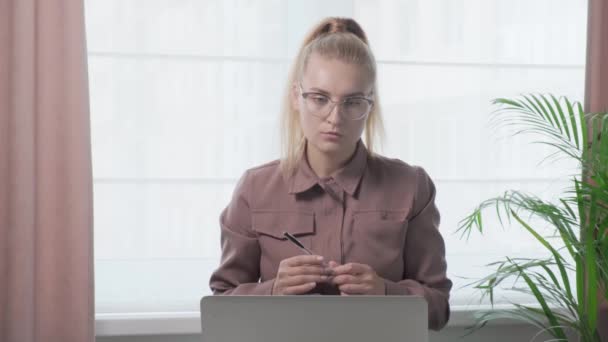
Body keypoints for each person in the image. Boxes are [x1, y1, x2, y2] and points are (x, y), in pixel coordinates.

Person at [209, 17, 452, 330]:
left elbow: (438, 310)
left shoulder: (412, 186)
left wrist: (386, 292)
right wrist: (273, 291)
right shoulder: (254, 189)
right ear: (297, 97)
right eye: (320, 98)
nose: (334, 117)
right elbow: (221, 305)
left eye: (353, 102)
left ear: (370, 105)